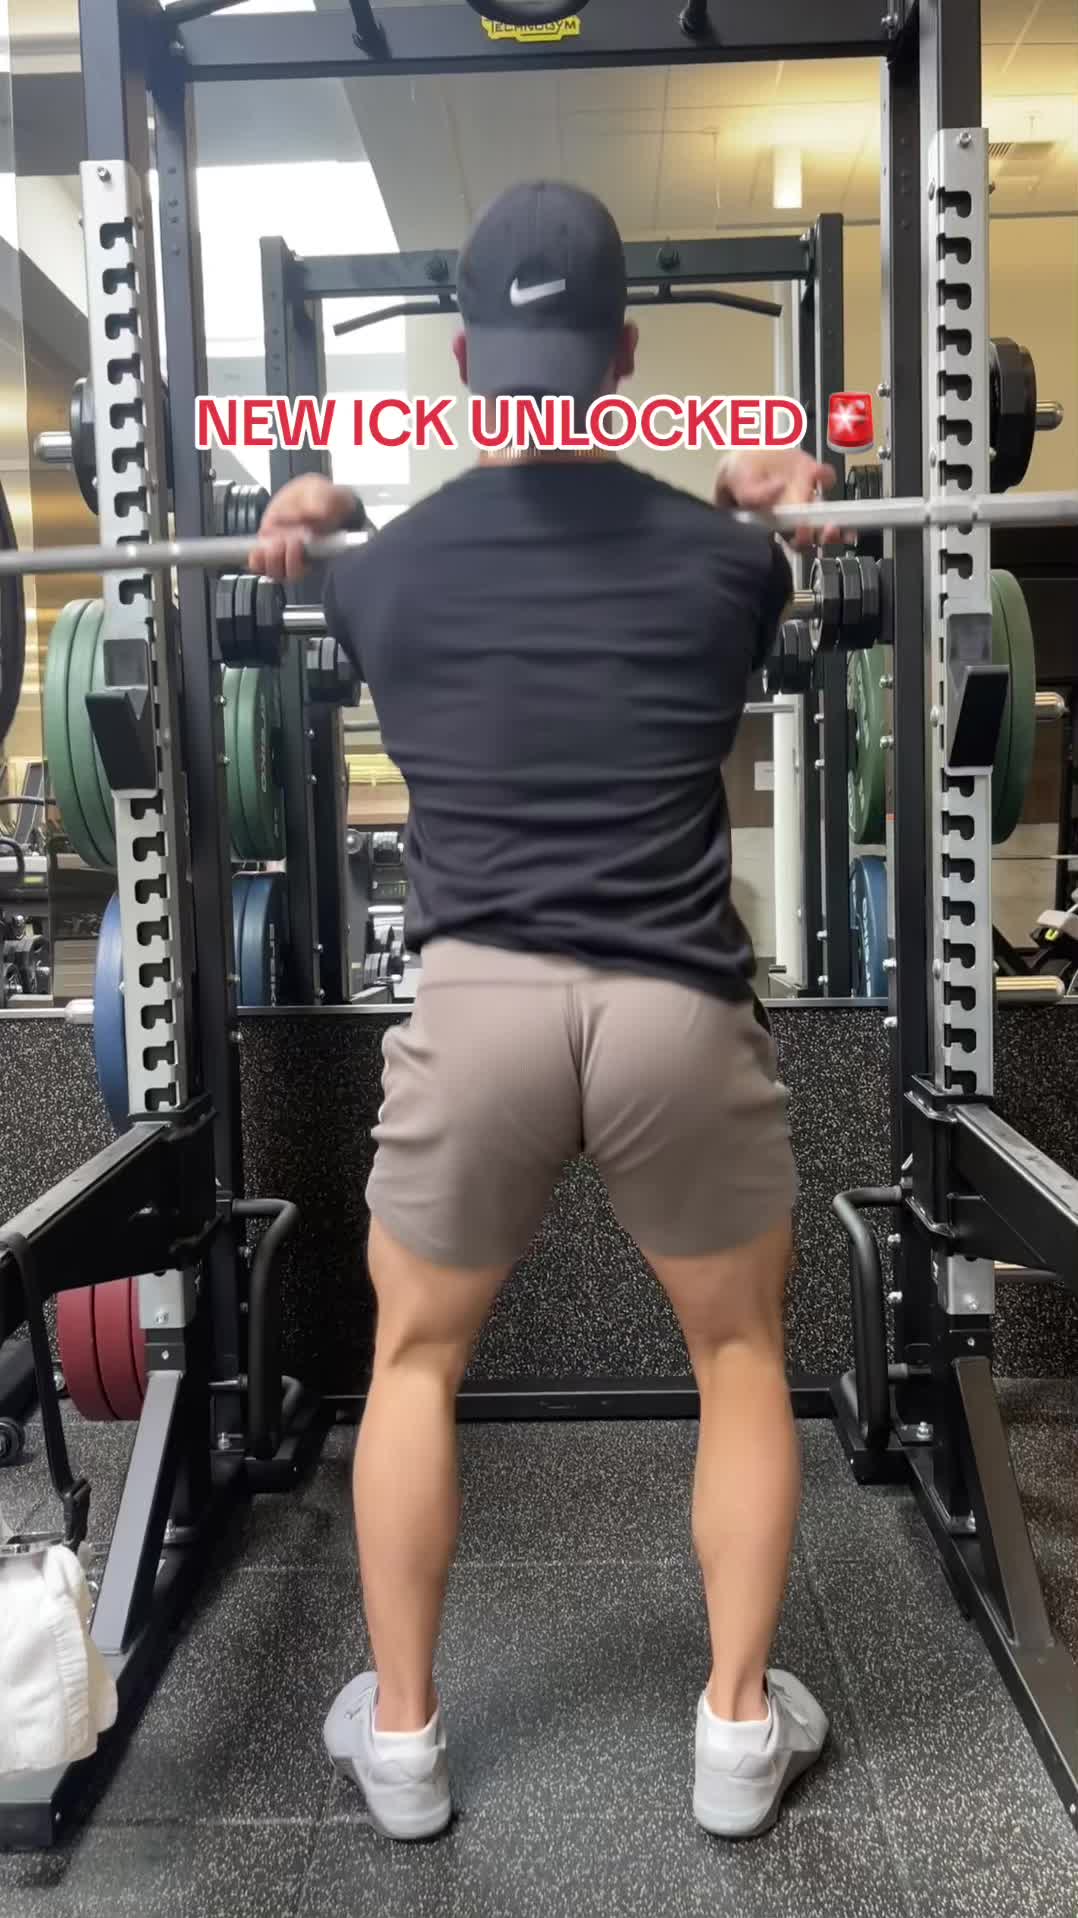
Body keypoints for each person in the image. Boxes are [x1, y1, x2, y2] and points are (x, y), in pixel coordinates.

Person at [251, 181, 844, 1845]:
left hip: (479, 1006)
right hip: (673, 1005)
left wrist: (321, 505)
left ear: (462, 360)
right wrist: (781, 488)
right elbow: (764, 556)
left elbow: (332, 563)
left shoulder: (379, 578)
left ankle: (405, 1743)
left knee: (415, 1358)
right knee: (737, 1352)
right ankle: (738, 1734)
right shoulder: (730, 562)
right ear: (624, 354)